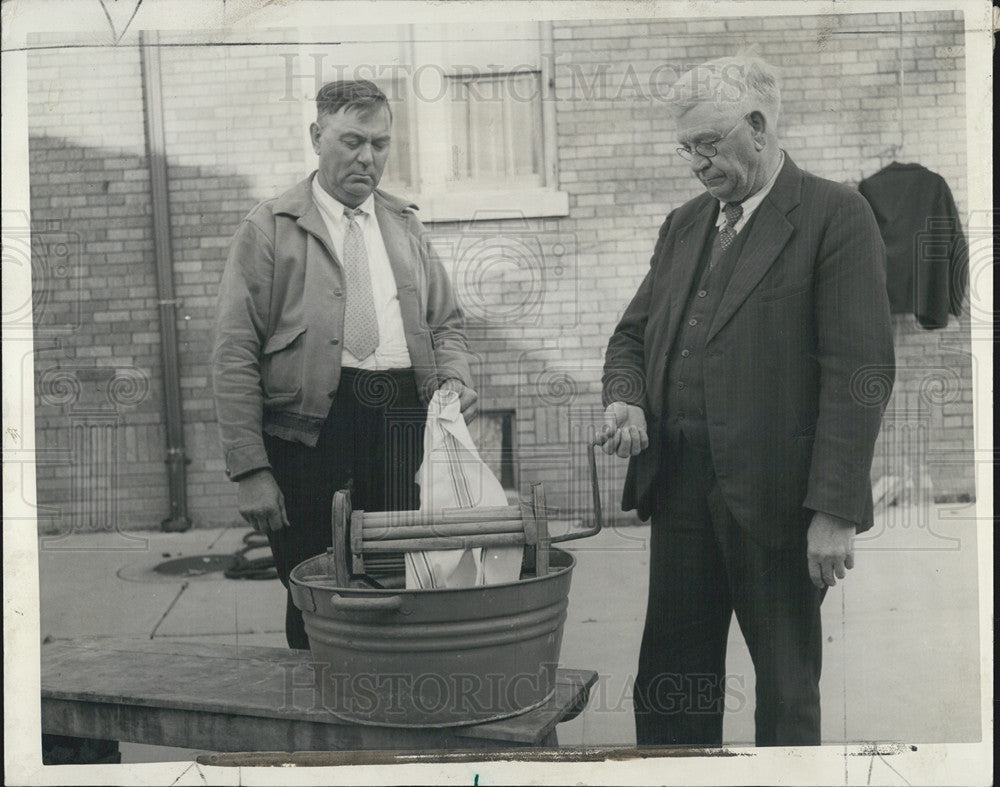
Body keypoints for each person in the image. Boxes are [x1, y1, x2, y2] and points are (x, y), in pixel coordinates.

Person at [598, 56, 894, 747]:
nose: (695, 163)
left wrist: (835, 511)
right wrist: (627, 399)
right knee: (670, 687)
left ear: (757, 128)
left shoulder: (836, 216)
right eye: (686, 148)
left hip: (780, 504)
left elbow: (859, 374)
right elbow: (631, 338)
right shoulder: (683, 225)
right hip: (679, 492)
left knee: (786, 697)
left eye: (707, 144)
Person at [212, 80, 477, 649]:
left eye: (380, 144)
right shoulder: (270, 228)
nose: (367, 157)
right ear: (317, 136)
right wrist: (251, 470)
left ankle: (394, 718)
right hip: (307, 434)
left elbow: (446, 323)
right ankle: (317, 725)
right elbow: (233, 353)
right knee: (313, 591)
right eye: (352, 140)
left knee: (405, 583)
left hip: (404, 421)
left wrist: (453, 377)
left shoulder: (405, 224)